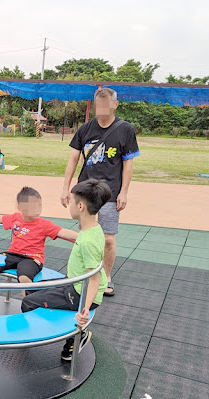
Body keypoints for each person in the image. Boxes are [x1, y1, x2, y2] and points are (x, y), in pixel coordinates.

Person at [60, 87, 139, 297]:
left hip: (110, 193)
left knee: (109, 239)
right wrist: (66, 188)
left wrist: (124, 192)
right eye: (98, 104)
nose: (101, 109)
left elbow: (128, 164)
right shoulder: (85, 129)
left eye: (106, 104)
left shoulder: (125, 129)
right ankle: (84, 273)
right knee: (86, 235)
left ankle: (106, 276)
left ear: (115, 105)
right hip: (86, 191)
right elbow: (73, 159)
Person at [23, 179, 111, 361]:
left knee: (28, 303)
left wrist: (84, 310)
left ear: (80, 206)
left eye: (71, 201)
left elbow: (93, 279)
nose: (68, 204)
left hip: (80, 293)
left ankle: (74, 337)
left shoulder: (87, 241)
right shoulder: (92, 228)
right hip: (75, 282)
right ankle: (66, 327)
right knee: (31, 288)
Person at [0, 187, 78, 292]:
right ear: (20, 207)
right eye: (33, 207)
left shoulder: (44, 224)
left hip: (31, 259)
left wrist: (81, 236)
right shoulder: (15, 218)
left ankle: (29, 305)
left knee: (24, 278)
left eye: (39, 205)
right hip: (12, 254)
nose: (37, 209)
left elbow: (62, 232)